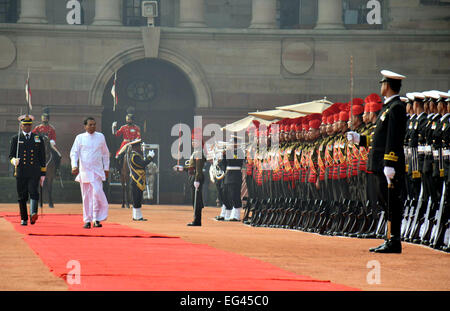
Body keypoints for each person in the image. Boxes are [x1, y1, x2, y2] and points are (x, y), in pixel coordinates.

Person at [347, 70, 407, 253]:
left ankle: (394, 240)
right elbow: (378, 140)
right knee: (384, 201)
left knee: (391, 202)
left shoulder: (396, 107)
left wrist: (390, 163)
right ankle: (388, 237)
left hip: (387, 164)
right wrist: (360, 139)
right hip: (380, 163)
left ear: (387, 85)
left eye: (382, 83)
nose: (381, 86)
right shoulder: (387, 108)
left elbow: (393, 139)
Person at [70, 117, 110, 229]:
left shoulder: (101, 137)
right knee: (86, 196)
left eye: (94, 124)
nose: (93, 126)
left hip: (97, 171)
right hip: (85, 172)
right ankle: (87, 220)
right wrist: (74, 166)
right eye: (90, 125)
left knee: (97, 194)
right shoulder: (80, 138)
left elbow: (106, 154)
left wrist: (106, 168)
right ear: (85, 126)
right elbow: (74, 153)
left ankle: (96, 218)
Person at [9, 115, 46, 226]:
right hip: (21, 171)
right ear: (21, 126)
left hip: (34, 171)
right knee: (22, 195)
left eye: (29, 125)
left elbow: (42, 157)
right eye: (25, 125)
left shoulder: (38, 138)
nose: (27, 127)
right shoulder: (16, 138)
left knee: (34, 192)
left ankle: (33, 213)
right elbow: (11, 156)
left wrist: (43, 173)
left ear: (31, 126)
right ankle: (24, 218)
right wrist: (14, 161)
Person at [173, 128, 206, 226]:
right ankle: (196, 219)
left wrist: (197, 179)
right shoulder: (195, 152)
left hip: (196, 178)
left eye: (194, 141)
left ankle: (197, 220)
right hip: (193, 176)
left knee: (196, 201)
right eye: (192, 141)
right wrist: (182, 168)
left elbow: (198, 169)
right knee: (194, 200)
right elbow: (192, 167)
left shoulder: (198, 152)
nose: (192, 143)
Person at [128, 139, 154, 221]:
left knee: (138, 198)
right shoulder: (134, 156)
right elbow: (142, 163)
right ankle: (136, 216)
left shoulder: (137, 155)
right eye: (139, 146)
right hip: (136, 180)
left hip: (139, 180)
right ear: (135, 147)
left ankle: (138, 216)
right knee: (136, 198)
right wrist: (150, 157)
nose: (140, 148)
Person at [32, 107, 62, 172]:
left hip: (49, 144)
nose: (44, 119)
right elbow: (33, 135)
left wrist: (51, 141)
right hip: (39, 144)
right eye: (43, 118)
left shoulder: (51, 128)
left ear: (48, 119)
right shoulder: (38, 128)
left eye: (46, 118)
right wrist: (37, 141)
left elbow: (53, 138)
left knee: (58, 155)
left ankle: (57, 170)